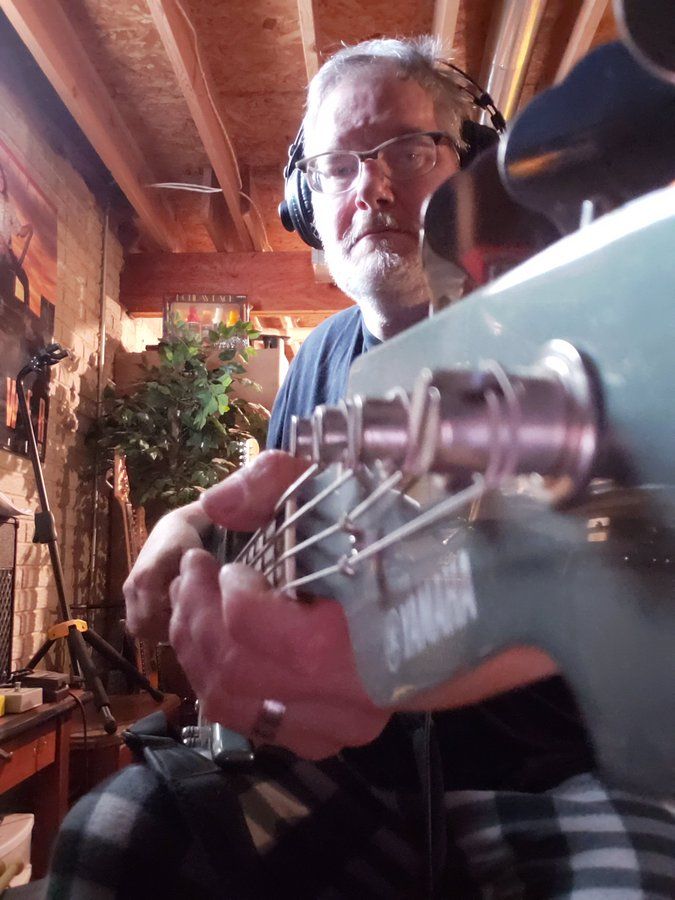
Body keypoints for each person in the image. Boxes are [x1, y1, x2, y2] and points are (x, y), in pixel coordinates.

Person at [47, 37, 674, 899]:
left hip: (570, 769)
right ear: (310, 201)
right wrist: (184, 527)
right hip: (357, 775)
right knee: (116, 837)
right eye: (339, 166)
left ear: (474, 167)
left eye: (407, 152)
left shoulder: (570, 324)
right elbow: (271, 504)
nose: (371, 188)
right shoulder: (318, 358)